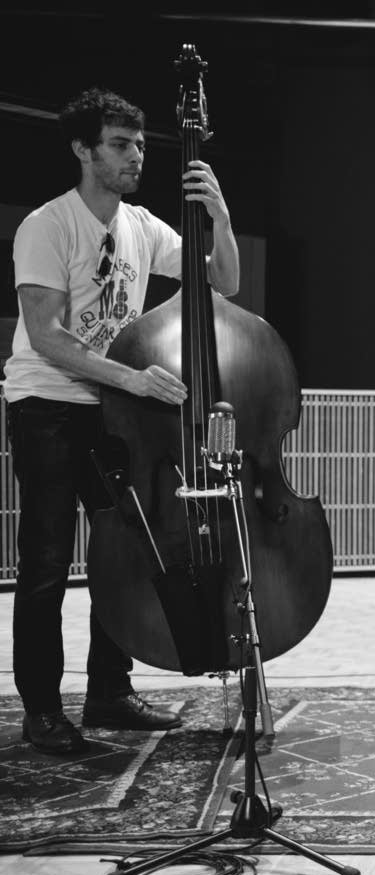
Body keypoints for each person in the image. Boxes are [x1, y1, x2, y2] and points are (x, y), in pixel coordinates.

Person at [6, 88, 241, 754]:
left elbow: (223, 283)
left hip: (109, 409)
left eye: (138, 144)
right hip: (47, 406)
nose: (135, 155)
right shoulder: (49, 226)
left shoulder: (141, 226)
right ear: (83, 150)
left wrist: (219, 216)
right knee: (47, 564)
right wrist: (134, 379)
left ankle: (110, 692)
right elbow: (48, 337)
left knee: (125, 554)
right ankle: (43, 711)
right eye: (118, 144)